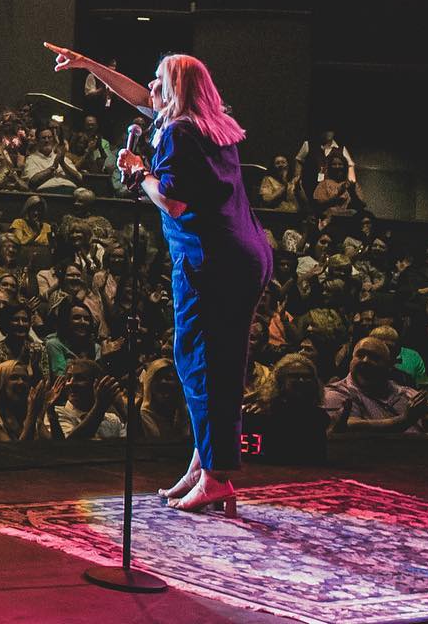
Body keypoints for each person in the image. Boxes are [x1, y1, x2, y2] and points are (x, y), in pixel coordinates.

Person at [51, 46, 271, 516]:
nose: (149, 88)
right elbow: (137, 96)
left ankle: (216, 475)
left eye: (157, 80)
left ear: (175, 91)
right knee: (203, 360)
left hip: (210, 259)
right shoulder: (214, 127)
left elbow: (173, 203)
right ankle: (204, 461)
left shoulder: (178, 134)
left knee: (204, 362)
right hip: (242, 255)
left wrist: (139, 171)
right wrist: (90, 65)